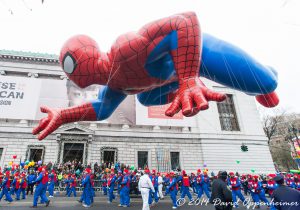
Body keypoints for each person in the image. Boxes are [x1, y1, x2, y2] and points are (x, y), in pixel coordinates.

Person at [33, 12, 279, 141]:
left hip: (197, 54)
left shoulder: (125, 49)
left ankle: (265, 83)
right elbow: (102, 109)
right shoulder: (115, 85)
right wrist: (64, 115)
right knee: (146, 100)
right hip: (174, 79)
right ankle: (189, 83)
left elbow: (185, 21)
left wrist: (189, 79)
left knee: (266, 83)